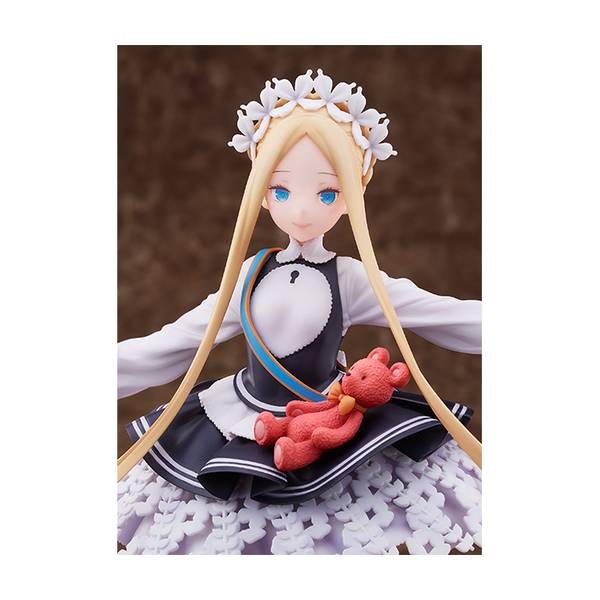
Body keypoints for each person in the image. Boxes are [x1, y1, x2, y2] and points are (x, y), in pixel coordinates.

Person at [117, 69, 482, 555]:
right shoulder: (249, 274)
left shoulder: (349, 277)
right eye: (282, 191)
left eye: (326, 193)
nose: (303, 211)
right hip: (243, 425)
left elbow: (439, 315)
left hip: (330, 426)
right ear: (262, 194)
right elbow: (179, 341)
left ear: (350, 198)